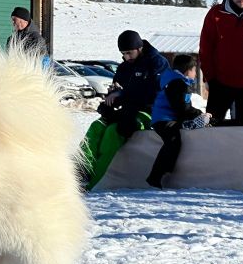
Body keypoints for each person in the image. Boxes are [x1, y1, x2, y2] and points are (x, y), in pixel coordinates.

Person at [79, 30, 170, 190]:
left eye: (129, 53)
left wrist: (124, 93)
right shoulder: (124, 67)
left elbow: (154, 92)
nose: (126, 57)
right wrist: (111, 97)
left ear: (139, 48)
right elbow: (117, 90)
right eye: (123, 54)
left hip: (149, 112)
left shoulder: (157, 63)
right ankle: (80, 172)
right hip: (126, 109)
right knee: (96, 126)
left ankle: (92, 184)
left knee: (112, 133)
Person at [146, 55, 207, 189]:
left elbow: (181, 107)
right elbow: (181, 108)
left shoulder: (177, 81)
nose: (196, 73)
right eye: (194, 70)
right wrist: (199, 114)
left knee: (175, 138)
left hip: (167, 117)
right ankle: (156, 176)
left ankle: (163, 173)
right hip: (163, 119)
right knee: (173, 141)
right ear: (188, 71)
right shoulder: (178, 84)